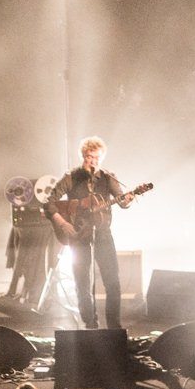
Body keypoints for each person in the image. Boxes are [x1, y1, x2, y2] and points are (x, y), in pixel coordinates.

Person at [45, 137, 137, 329]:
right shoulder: (72, 177)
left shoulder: (108, 177)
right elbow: (50, 201)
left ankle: (114, 327)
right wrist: (62, 223)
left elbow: (121, 201)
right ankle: (90, 324)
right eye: (89, 157)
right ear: (83, 156)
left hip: (103, 235)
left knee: (113, 281)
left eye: (96, 158)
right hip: (78, 236)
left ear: (101, 158)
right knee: (82, 282)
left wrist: (128, 199)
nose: (92, 161)